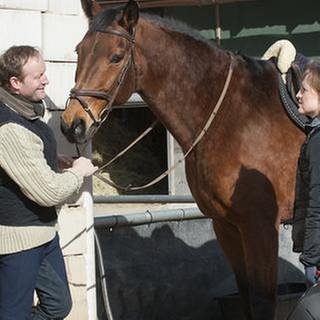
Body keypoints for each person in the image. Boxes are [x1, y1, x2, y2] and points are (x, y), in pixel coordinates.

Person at [0, 45, 97, 319]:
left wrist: (52, 159)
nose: (46, 80)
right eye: (38, 75)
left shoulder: (25, 111)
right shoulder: (9, 127)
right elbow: (48, 192)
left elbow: (21, 157)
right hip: (18, 240)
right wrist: (77, 171)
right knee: (13, 314)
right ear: (15, 83)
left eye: (44, 72)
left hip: (43, 233)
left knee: (58, 305)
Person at [292, 59, 320, 288]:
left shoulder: (318, 140)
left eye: (304, 90)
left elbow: (317, 201)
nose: (298, 95)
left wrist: (310, 258)